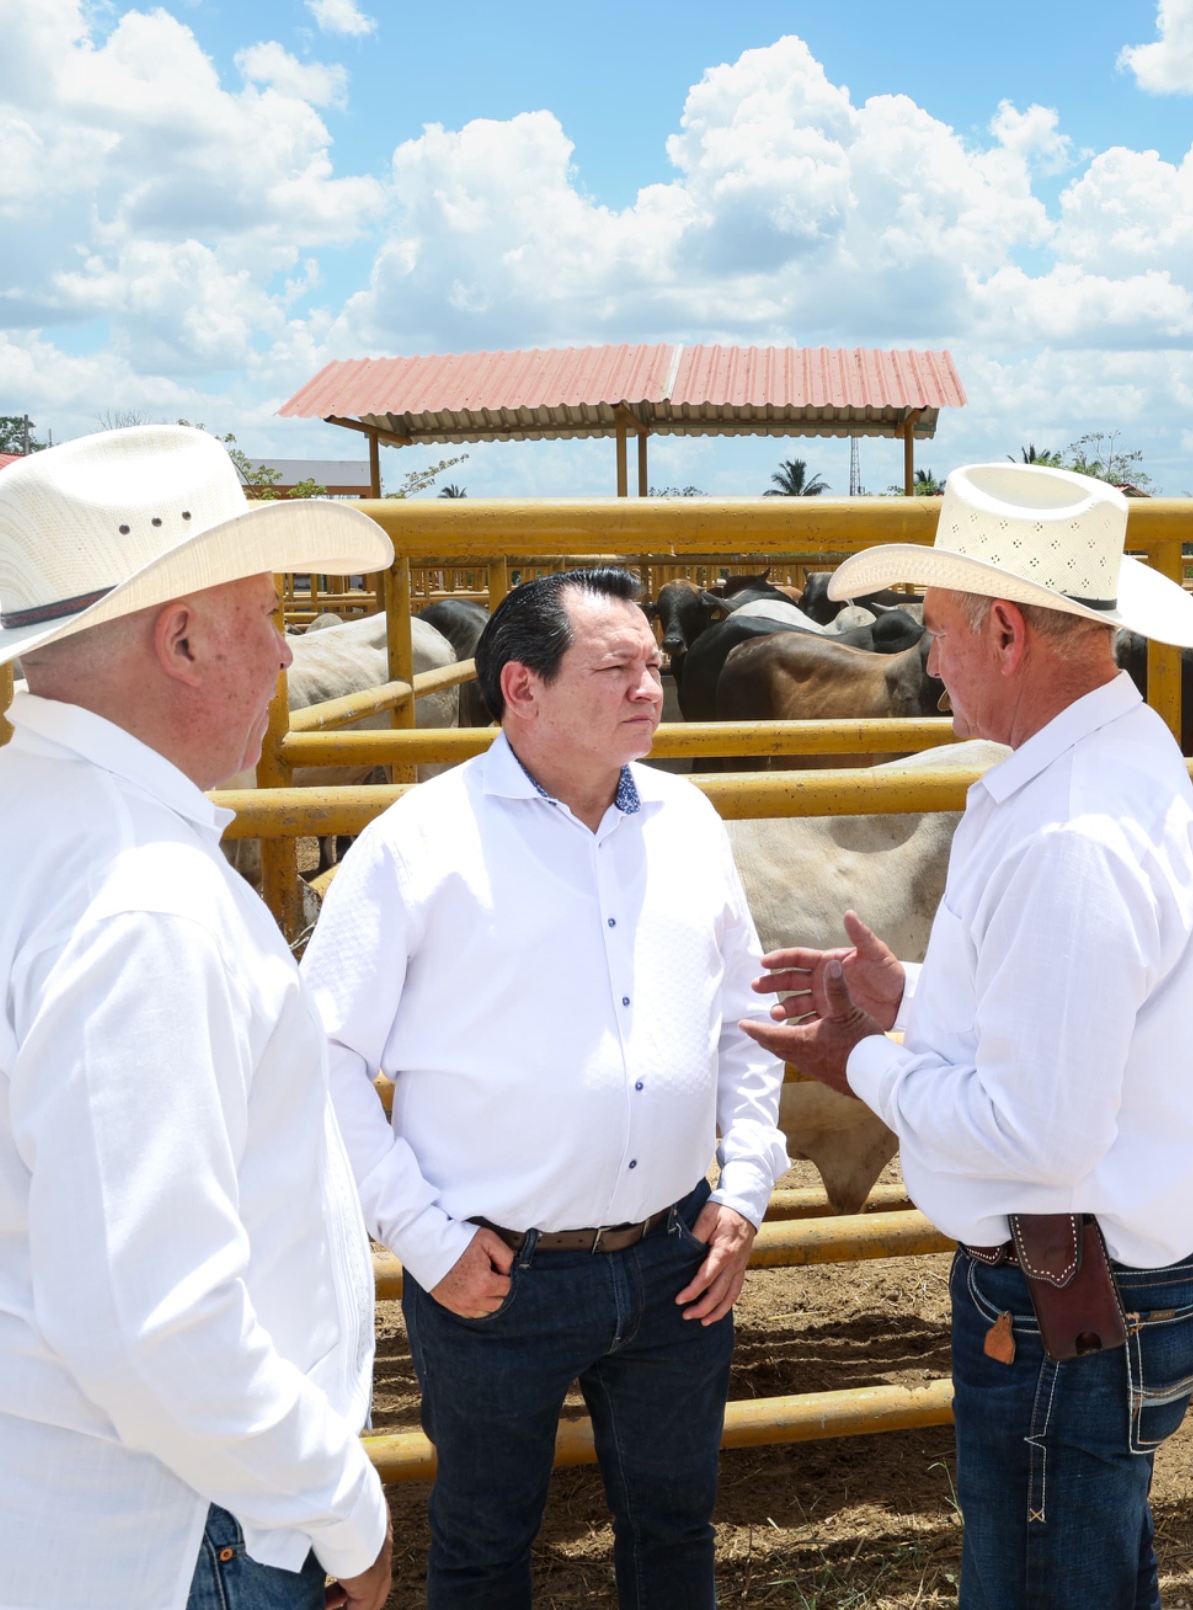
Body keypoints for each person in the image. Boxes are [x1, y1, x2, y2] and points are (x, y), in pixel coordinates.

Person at [0, 424, 398, 1610]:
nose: (281, 650)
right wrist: (342, 1506)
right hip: (176, 1533)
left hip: (34, 1495)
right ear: (186, 636)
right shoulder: (145, 900)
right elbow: (153, 1326)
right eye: (265, 611)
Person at [740, 463, 1193, 1610]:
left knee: (1043, 1574)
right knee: (1091, 1565)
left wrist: (854, 1055)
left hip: (1065, 1286)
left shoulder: (1069, 833)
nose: (928, 658)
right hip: (1101, 1275)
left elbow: (1041, 1130)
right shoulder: (1110, 766)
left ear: (1004, 630)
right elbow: (1052, 1009)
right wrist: (910, 991)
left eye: (937, 629)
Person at [301, 565, 788, 1610]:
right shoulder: (415, 842)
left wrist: (744, 1188)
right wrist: (424, 1238)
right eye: (618, 666)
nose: (652, 686)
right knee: (482, 1539)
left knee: (674, 1527)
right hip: (491, 1273)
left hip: (676, 1254)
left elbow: (744, 1015)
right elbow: (320, 1052)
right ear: (521, 686)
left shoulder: (689, 819)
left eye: (653, 664)